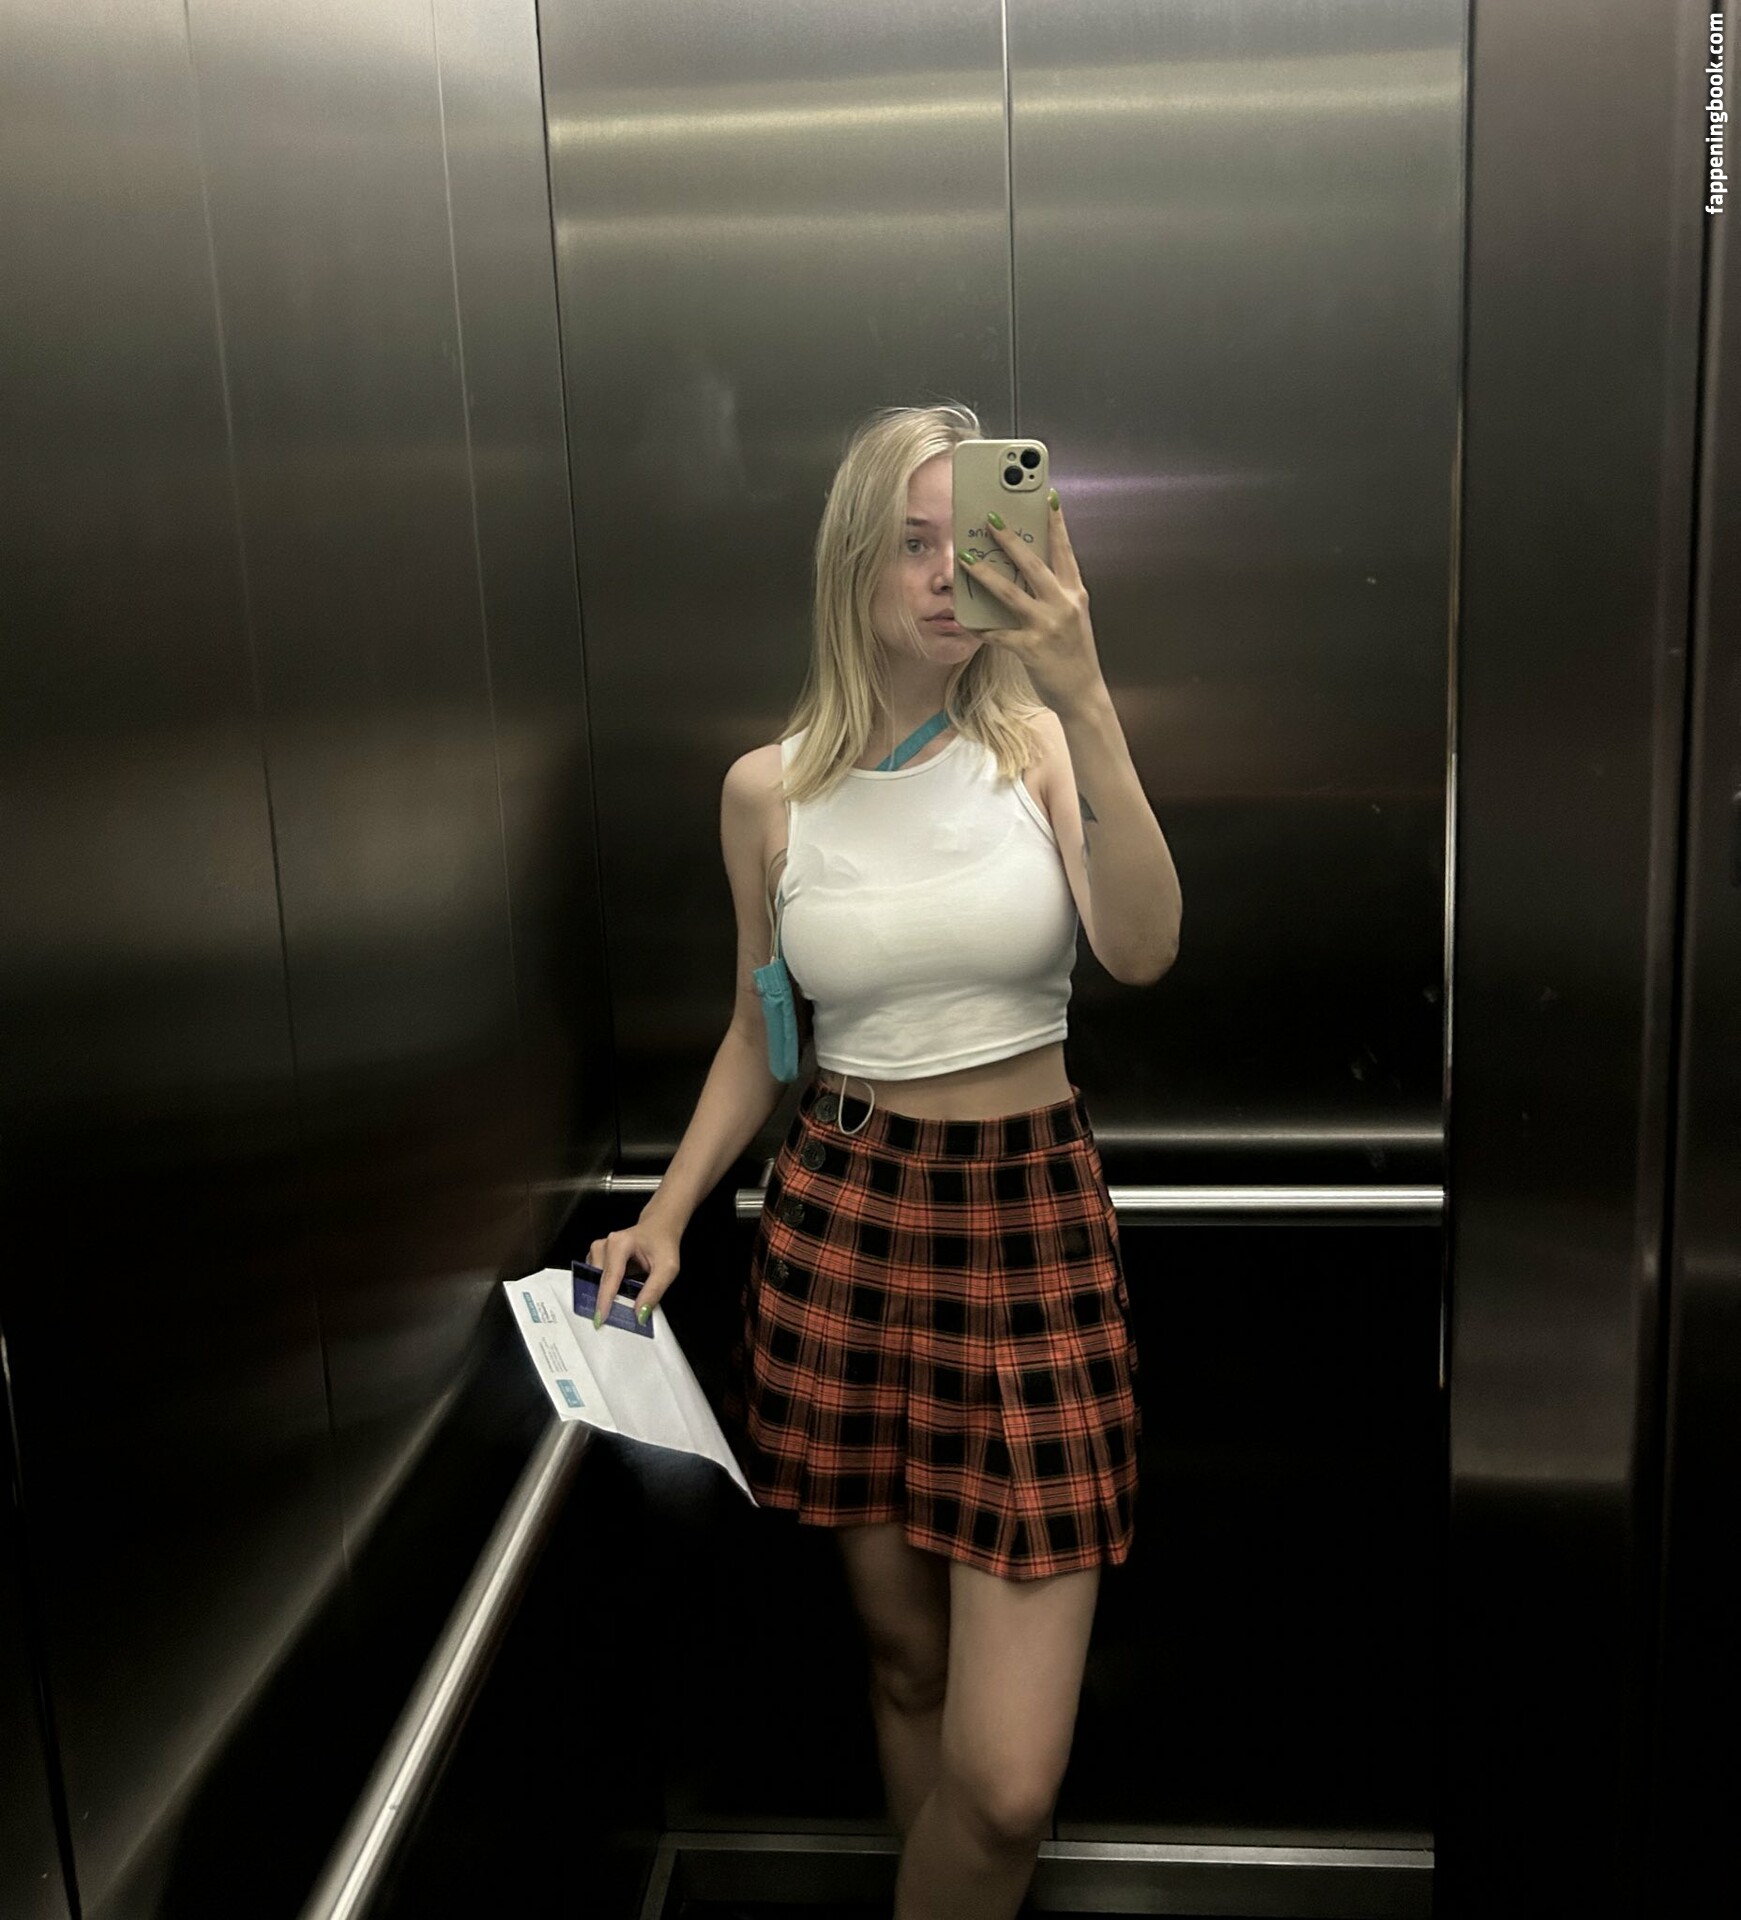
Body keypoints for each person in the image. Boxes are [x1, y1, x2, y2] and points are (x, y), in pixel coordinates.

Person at [587, 401, 1182, 1920]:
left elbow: (1143, 947)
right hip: (843, 1225)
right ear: (850, 564)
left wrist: (1084, 689)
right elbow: (759, 1030)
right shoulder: (768, 792)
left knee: (1006, 1783)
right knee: (906, 1663)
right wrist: (668, 1212)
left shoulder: (1038, 750)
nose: (943, 577)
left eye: (969, 542)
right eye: (912, 545)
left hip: (1033, 1229)